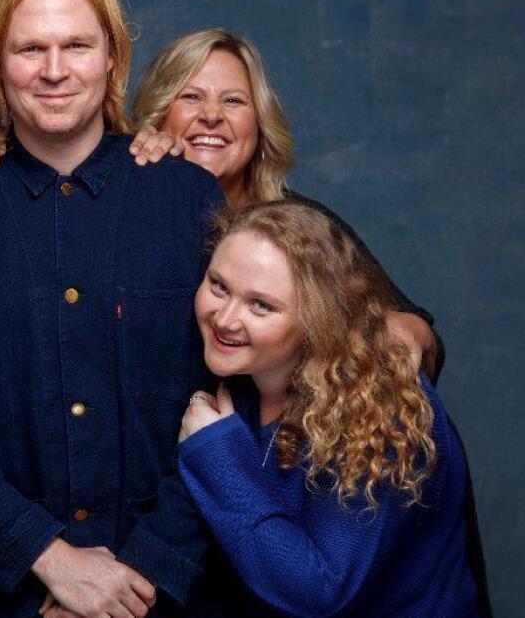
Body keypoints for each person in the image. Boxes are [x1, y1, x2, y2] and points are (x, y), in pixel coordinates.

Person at [0, 0, 226, 617]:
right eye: (29, 48)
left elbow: (232, 402)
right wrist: (54, 562)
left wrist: (138, 576)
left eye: (77, 45)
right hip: (3, 598)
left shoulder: (189, 198)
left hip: (168, 598)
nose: (55, 70)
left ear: (112, 57)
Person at [176, 200, 478, 616]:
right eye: (219, 286)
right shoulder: (243, 381)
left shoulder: (376, 405)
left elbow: (319, 590)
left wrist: (217, 456)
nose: (225, 319)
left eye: (261, 305)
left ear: (318, 319)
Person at [129, 29, 444, 379]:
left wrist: (409, 330)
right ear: (158, 114)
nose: (212, 115)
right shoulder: (127, 212)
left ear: (260, 124)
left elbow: (418, 332)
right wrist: (134, 168)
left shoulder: (302, 224)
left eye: (233, 101)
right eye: (191, 96)